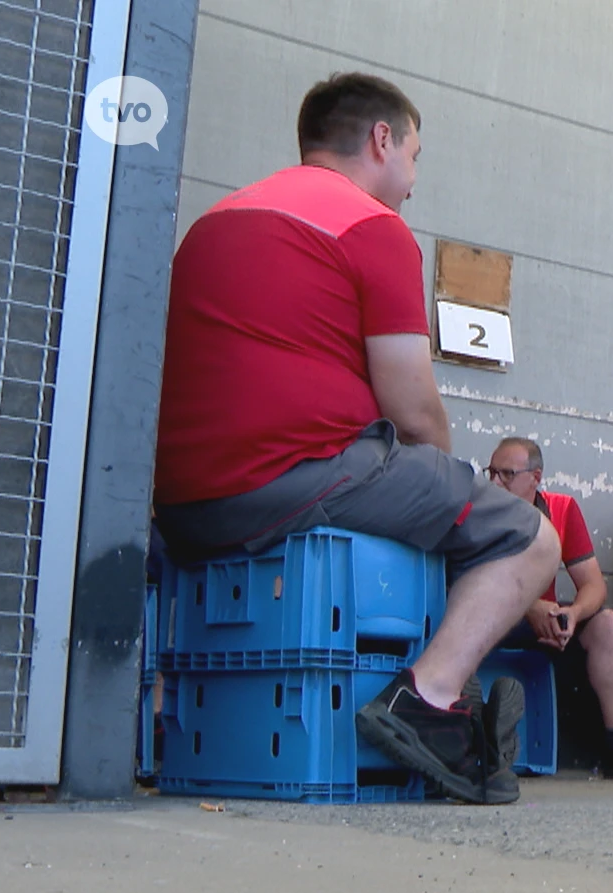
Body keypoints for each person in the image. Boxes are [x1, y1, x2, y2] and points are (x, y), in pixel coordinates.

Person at [152, 73, 559, 805]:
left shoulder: (211, 224)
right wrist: (451, 481)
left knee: (434, 505)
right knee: (527, 536)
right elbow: (412, 410)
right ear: (382, 141)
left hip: (181, 508)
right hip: (295, 479)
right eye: (414, 155)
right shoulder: (372, 228)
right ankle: (427, 701)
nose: (410, 182)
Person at [485, 438, 613, 781]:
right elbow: (466, 584)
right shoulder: (479, 510)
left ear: (535, 477)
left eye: (507, 474)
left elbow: (594, 585)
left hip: (543, 618)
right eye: (491, 473)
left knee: (604, 620)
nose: (495, 483)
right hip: (489, 617)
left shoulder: (561, 508)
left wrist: (571, 615)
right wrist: (530, 607)